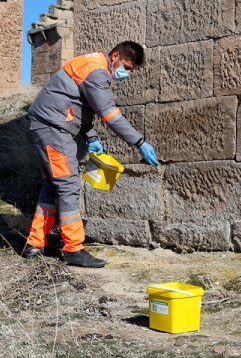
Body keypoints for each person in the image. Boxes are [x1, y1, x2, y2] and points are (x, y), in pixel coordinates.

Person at [22, 40, 159, 268]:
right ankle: (73, 249)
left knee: (53, 185)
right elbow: (109, 114)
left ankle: (35, 244)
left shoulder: (92, 63)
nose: (126, 73)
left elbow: (78, 103)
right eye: (127, 66)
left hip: (49, 124)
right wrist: (140, 142)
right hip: (53, 128)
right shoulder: (99, 73)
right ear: (115, 56)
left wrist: (92, 137)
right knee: (69, 184)